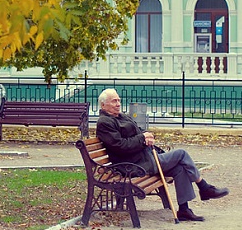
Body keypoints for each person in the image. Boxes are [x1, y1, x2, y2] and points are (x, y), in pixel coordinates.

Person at [95, 88, 229, 222]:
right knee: (181, 154)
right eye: (114, 101)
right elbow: (120, 146)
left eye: (119, 100)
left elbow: (138, 132)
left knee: (180, 169)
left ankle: (184, 210)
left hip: (143, 158)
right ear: (103, 105)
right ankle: (204, 187)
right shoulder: (105, 123)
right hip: (133, 165)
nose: (118, 104)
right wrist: (142, 138)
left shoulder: (121, 116)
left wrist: (147, 136)